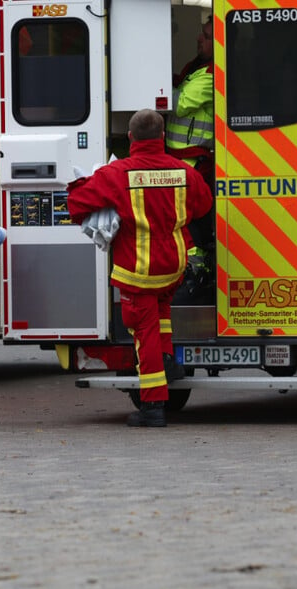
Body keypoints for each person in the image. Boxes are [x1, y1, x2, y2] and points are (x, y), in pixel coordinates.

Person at [66, 109, 213, 427]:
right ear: (162, 137)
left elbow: (76, 205)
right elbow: (203, 205)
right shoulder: (182, 172)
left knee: (143, 332)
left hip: (138, 270)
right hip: (173, 264)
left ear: (131, 137)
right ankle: (167, 363)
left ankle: (153, 405)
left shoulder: (117, 173)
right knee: (161, 320)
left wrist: (82, 181)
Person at [167, 17, 216, 305]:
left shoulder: (211, 74)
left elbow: (180, 103)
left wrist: (152, 91)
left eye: (207, 36)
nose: (200, 39)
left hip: (194, 162)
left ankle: (198, 272)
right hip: (180, 162)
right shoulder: (197, 68)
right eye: (201, 34)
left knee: (191, 221)